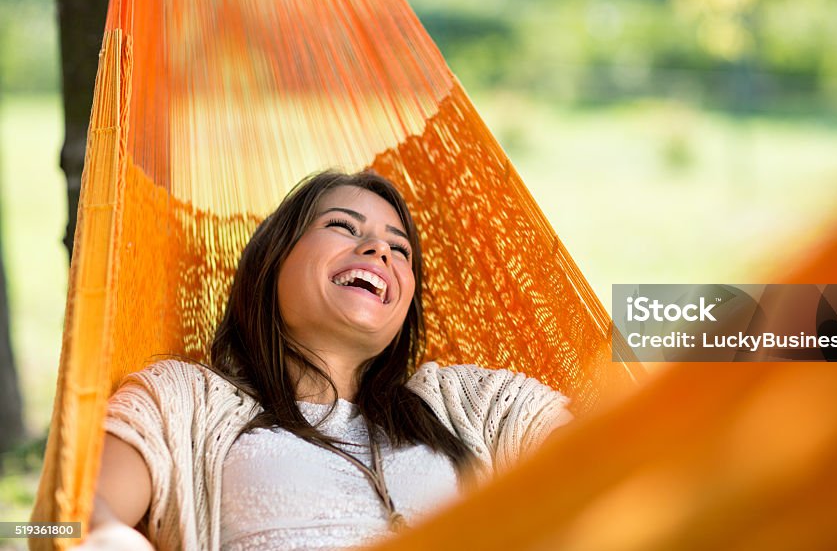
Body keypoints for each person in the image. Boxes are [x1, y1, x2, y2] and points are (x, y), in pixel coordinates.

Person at [80, 170, 573, 550]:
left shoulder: (474, 406)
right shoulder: (185, 399)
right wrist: (104, 536)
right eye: (341, 225)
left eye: (399, 250)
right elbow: (60, 514)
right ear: (272, 260)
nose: (379, 249)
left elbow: (617, 455)